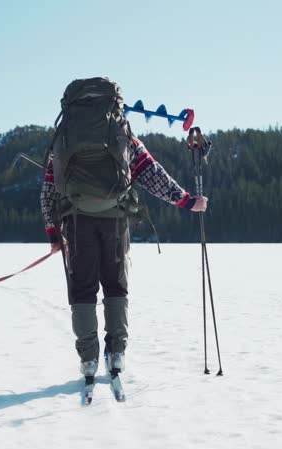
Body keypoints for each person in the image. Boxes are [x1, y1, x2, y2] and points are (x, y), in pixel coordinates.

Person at [39, 78, 208, 385]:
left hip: (77, 221)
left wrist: (53, 231)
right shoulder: (122, 130)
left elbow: (50, 184)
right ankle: (116, 353)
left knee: (82, 290)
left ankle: (88, 359)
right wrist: (185, 200)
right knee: (116, 287)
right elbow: (149, 171)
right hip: (115, 219)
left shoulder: (64, 134)